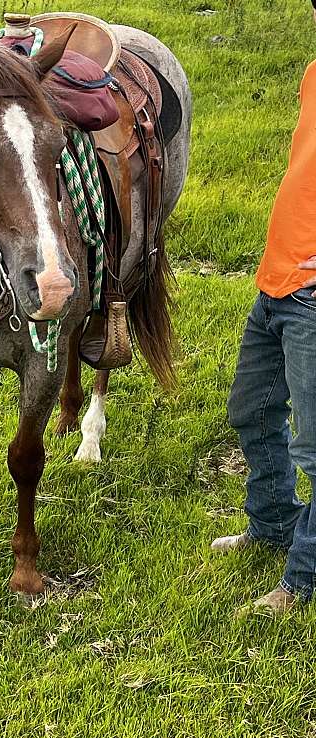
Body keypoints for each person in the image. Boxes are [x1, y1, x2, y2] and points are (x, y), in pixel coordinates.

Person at [211, 0, 316, 615]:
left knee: (315, 449)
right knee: (251, 411)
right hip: (277, 284)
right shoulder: (312, 74)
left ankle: (304, 580)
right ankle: (273, 522)